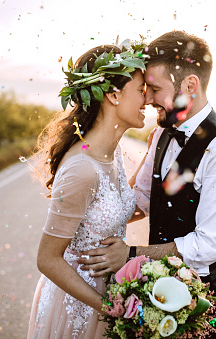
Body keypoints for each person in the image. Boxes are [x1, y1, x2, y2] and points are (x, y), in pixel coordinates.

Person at [78, 31, 216, 338]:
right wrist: (90, 214)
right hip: (156, 295)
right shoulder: (162, 134)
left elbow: (209, 245)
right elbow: (144, 197)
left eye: (155, 89)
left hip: (208, 306)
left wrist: (131, 255)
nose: (147, 98)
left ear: (190, 86)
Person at [27, 43, 148, 338]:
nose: (149, 97)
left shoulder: (112, 153)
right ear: (113, 95)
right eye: (141, 88)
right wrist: (108, 306)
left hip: (110, 288)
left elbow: (106, 214)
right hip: (79, 305)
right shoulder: (82, 168)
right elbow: (47, 259)